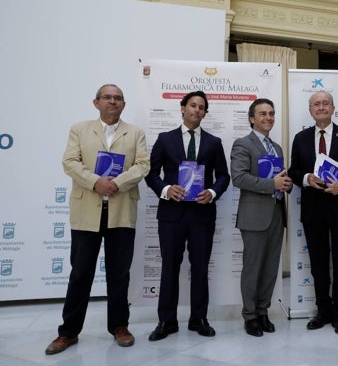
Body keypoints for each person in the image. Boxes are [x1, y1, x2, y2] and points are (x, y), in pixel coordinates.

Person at [45, 84, 150, 355]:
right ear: (96, 102)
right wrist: (96, 182)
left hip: (121, 211)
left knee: (119, 274)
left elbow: (142, 165)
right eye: (107, 97)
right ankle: (68, 333)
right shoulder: (79, 129)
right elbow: (70, 162)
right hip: (87, 212)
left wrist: (116, 182)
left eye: (117, 98)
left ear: (124, 105)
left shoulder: (135, 132)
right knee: (80, 274)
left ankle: (119, 327)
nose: (112, 102)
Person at [145, 91, 230, 341]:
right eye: (192, 105)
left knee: (201, 268)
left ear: (205, 113)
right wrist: (165, 189)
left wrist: (213, 192)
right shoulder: (165, 138)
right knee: (170, 267)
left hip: (202, 215)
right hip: (171, 215)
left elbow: (223, 176)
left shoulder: (214, 142)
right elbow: (151, 174)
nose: (196, 110)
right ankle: (166, 321)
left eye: (201, 107)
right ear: (183, 108)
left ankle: (199, 318)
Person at [288, 91, 338, 336]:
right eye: (316, 104)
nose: (321, 107)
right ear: (310, 110)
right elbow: (293, 170)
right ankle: (323, 310)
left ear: (333, 108)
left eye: (325, 104)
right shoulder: (300, 138)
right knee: (319, 264)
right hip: (313, 209)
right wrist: (306, 178)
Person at [230, 98, 292, 337]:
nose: (268, 117)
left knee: (270, 268)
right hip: (254, 216)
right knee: (253, 267)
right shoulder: (242, 144)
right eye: (263, 113)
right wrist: (272, 184)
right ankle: (250, 316)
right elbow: (239, 178)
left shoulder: (277, 148)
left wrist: (285, 183)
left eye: (272, 113)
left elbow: (278, 178)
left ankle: (263, 311)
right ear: (252, 118)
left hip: (277, 213)